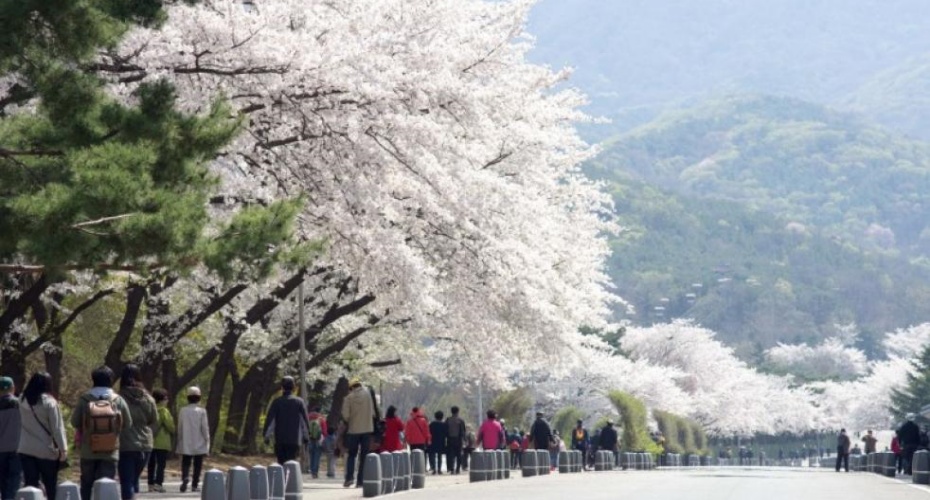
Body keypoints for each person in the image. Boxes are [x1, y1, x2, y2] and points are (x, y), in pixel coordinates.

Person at [71, 366, 133, 500]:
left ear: (93, 379)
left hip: (88, 450)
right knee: (106, 485)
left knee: (86, 483)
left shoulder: (84, 399)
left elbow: (74, 422)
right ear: (111, 380)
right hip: (110, 451)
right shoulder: (118, 400)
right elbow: (128, 423)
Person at [18, 372, 68, 500]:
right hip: (46, 450)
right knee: (50, 486)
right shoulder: (50, 403)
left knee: (30, 486)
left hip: (25, 448)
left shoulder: (21, 400)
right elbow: (57, 428)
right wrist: (63, 450)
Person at [118, 364, 157, 500]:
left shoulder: (118, 398)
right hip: (146, 444)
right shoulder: (148, 398)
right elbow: (153, 419)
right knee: (135, 479)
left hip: (125, 443)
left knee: (127, 480)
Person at [263, 376, 310, 465]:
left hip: (280, 439)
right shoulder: (299, 402)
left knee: (281, 464)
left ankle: (283, 479)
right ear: (294, 387)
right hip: (294, 440)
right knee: (291, 464)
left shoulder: (277, 402)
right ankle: (290, 478)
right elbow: (304, 421)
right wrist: (306, 436)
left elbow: (271, 421)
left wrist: (267, 436)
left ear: (282, 387)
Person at [341, 378, 374, 488]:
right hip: (367, 429)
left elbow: (345, 416)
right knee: (364, 456)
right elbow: (374, 412)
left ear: (351, 387)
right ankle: (360, 481)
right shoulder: (368, 395)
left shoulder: (349, 398)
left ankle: (349, 478)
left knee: (352, 455)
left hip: (353, 430)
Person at [176, 386, 210, 493]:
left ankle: (185, 477)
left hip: (186, 441)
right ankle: (195, 485)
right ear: (199, 398)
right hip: (199, 441)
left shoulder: (183, 410)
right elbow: (205, 427)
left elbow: (180, 427)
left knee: (186, 462)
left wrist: (180, 439)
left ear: (188, 398)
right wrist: (207, 439)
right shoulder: (202, 411)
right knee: (198, 464)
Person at [147, 388, 175, 493]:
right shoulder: (164, 411)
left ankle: (150, 484)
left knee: (151, 464)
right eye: (166, 398)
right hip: (162, 442)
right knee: (161, 465)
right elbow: (171, 426)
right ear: (162, 400)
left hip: (150, 440)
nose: (167, 400)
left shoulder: (150, 409)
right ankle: (158, 484)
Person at [0, 376, 22, 500]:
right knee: (14, 481)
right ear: (13, 388)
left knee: (2, 481)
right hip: (16, 448)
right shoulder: (19, 404)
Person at [306, 406, 328, 478]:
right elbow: (324, 431)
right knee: (317, 456)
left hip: (310, 438)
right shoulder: (321, 419)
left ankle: (312, 470)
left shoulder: (308, 417)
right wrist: (324, 438)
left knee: (311, 455)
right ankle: (315, 472)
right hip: (319, 440)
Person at [445, 406, 466, 475]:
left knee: (451, 455)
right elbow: (463, 431)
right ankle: (458, 469)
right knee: (459, 455)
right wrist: (464, 440)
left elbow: (445, 430)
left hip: (450, 439)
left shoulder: (448, 420)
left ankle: (451, 469)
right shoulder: (460, 420)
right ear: (458, 411)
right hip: (458, 440)